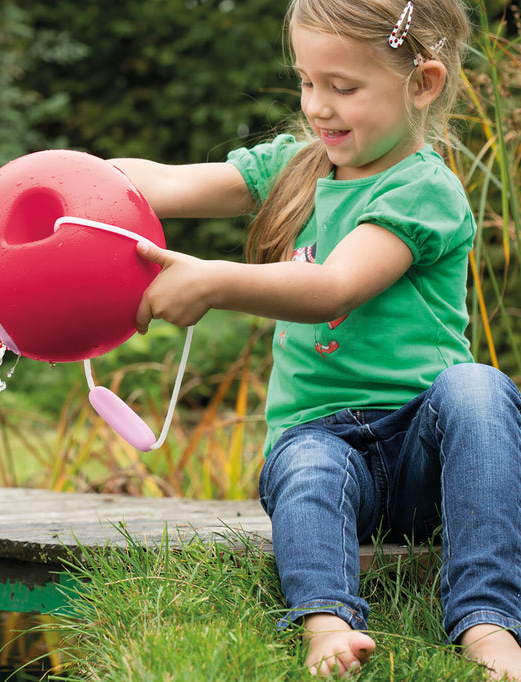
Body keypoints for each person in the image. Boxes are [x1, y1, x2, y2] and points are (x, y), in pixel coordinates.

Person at [109, 0, 521, 678]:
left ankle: (486, 620)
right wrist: (72, 182)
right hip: (323, 444)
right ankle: (327, 625)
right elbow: (165, 182)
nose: (317, 107)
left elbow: (334, 286)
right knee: (304, 465)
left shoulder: (425, 189)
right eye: (306, 82)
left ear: (422, 84)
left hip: (427, 451)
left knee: (478, 387)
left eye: (344, 87)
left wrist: (213, 281)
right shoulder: (296, 167)